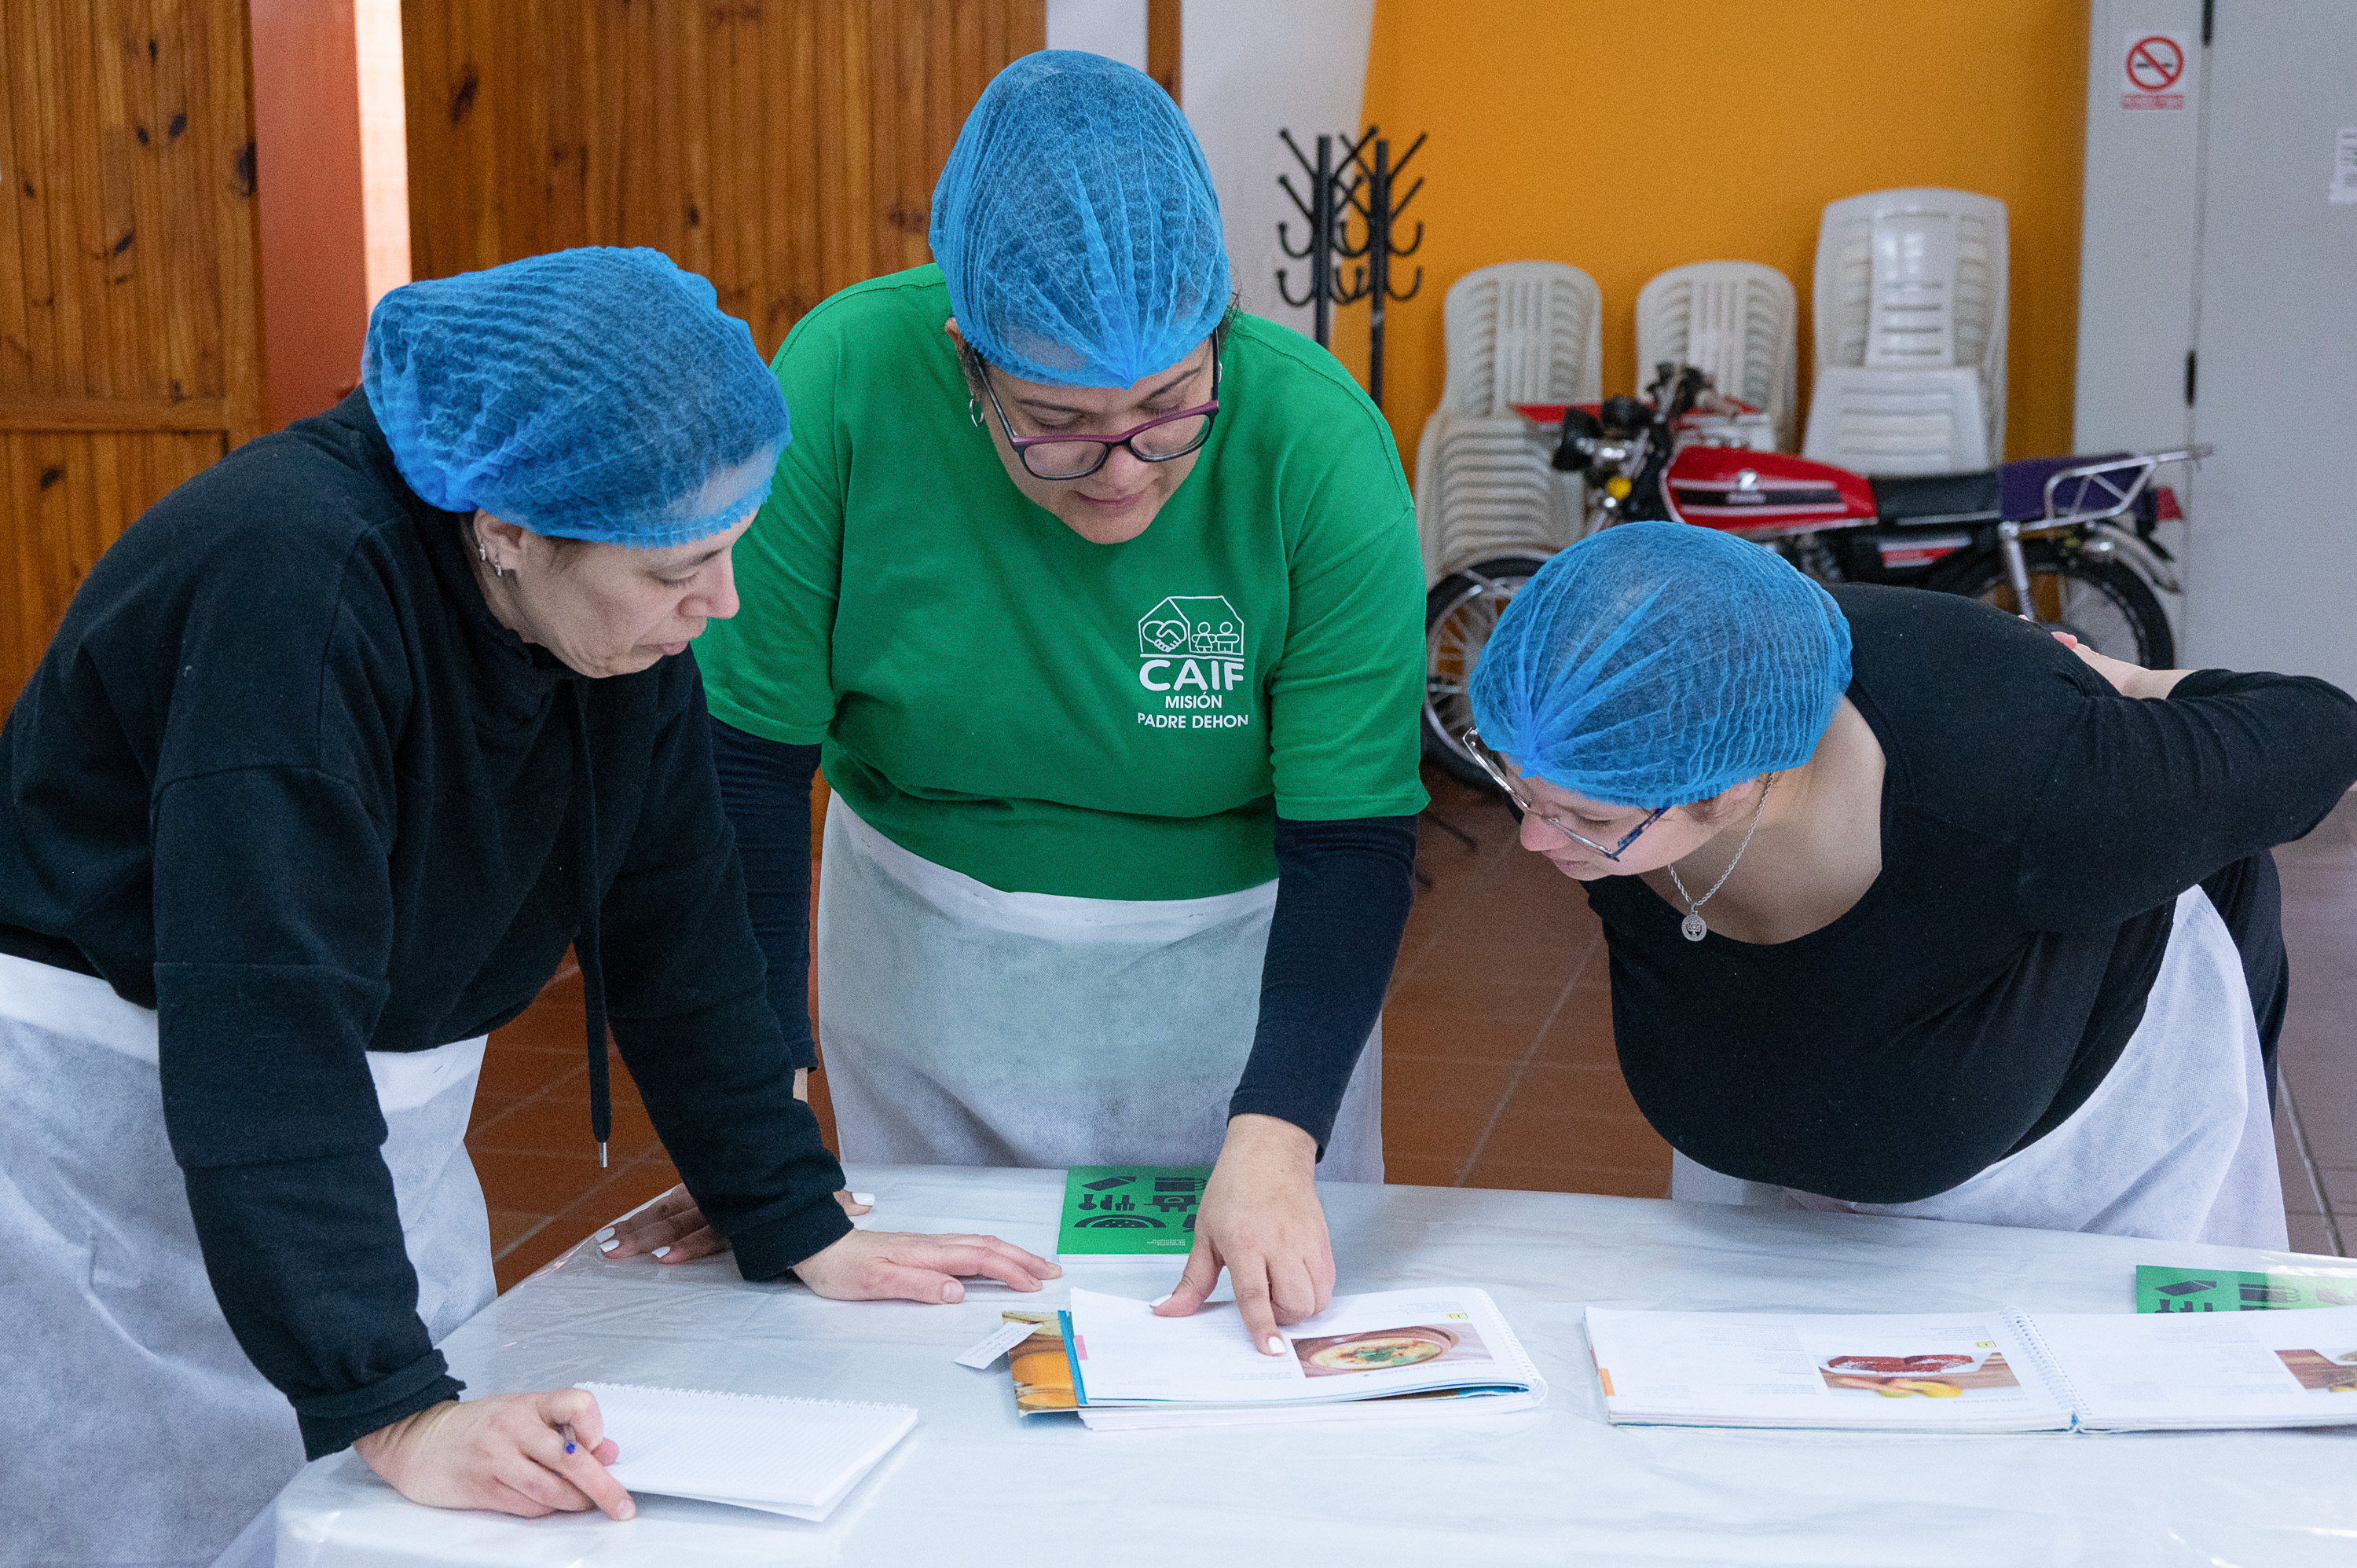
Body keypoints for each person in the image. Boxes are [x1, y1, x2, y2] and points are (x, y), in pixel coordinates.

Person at [0, 247, 1054, 1568]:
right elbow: (264, 1023)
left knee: (400, 1504)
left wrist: (787, 1209)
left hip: (343, 1123)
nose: (719, 602)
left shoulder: (603, 611)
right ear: (505, 531)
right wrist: (388, 1402)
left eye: (734, 551)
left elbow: (680, 919)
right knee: (148, 1518)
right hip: (112, 1131)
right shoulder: (294, 586)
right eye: (683, 566)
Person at [606, 53, 1428, 1354]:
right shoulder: (845, 383)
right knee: (944, 1352)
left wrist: (1275, 1138)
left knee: (1242, 1367)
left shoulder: (1316, 444)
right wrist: (757, 1123)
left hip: (1244, 975)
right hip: (934, 953)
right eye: (1056, 425)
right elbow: (744, 768)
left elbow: (1357, 834)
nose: (1124, 478)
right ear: (966, 361)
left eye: (1168, 416)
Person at [1462, 522, 2357, 1245]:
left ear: (1734, 787)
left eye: (1588, 820)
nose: (1537, 839)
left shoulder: (2036, 782)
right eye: (1516, 790)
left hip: (2083, 1139)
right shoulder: (1613, 722)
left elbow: (2321, 729)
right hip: (1857, 1103)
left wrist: (2137, 683)